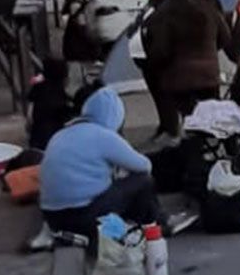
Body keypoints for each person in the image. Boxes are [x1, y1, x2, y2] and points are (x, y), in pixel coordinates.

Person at [39, 86, 194, 243]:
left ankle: (114, 229)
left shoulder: (61, 134)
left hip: (52, 220)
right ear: (114, 116)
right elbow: (144, 166)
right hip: (85, 217)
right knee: (142, 180)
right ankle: (158, 225)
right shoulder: (102, 135)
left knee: (114, 189)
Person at [146, 0, 231, 141]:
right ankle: (209, 150)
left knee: (189, 118)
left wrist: (159, 66)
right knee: (209, 118)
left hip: (178, 78)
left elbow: (160, 49)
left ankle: (193, 152)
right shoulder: (208, 9)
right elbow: (226, 37)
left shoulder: (164, 13)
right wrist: (210, 52)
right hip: (208, 75)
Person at [126, 0, 168, 141]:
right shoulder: (148, 7)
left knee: (163, 95)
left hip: (155, 57)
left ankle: (169, 127)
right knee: (156, 95)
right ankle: (164, 124)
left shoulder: (164, 9)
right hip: (143, 57)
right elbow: (137, 24)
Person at [26, 57, 76, 151]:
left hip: (38, 134)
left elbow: (30, 109)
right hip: (54, 135)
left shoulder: (39, 87)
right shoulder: (59, 93)